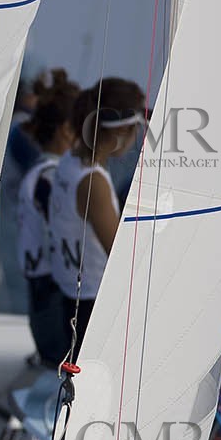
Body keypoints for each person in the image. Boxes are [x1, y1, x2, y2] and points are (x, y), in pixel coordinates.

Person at [48, 78, 148, 361]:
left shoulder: (70, 161)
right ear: (124, 130)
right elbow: (120, 257)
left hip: (70, 298)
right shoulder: (94, 183)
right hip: (92, 307)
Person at [13, 69, 80, 364]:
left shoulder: (43, 174)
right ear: (67, 130)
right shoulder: (51, 179)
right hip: (57, 314)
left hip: (44, 308)